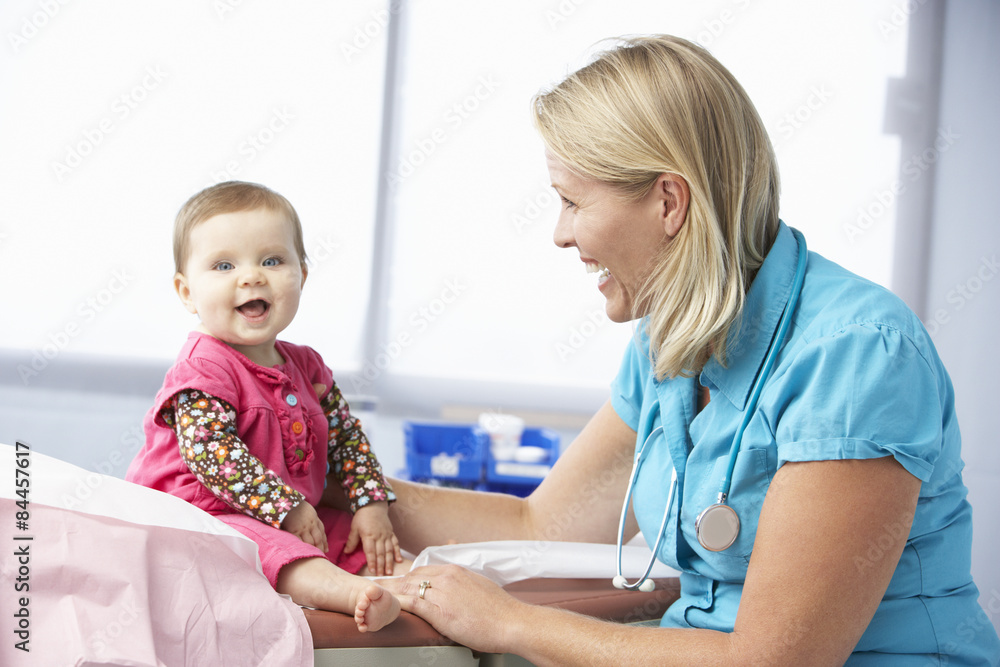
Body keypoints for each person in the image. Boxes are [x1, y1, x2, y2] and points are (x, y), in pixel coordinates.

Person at [382, 35, 1000, 664]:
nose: (560, 234)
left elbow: (771, 662)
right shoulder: (670, 340)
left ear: (669, 202)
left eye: (571, 201)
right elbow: (539, 527)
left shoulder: (858, 355)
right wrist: (350, 487)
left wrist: (510, 624)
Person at [126, 181, 406, 632]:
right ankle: (347, 592)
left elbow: (347, 438)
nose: (251, 277)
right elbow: (213, 455)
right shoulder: (204, 366)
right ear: (186, 292)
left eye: (272, 261)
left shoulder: (307, 366)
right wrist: (287, 507)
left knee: (348, 534)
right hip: (200, 518)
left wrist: (370, 503)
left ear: (303, 276)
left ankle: (408, 580)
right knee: (276, 550)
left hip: (283, 512)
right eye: (224, 265)